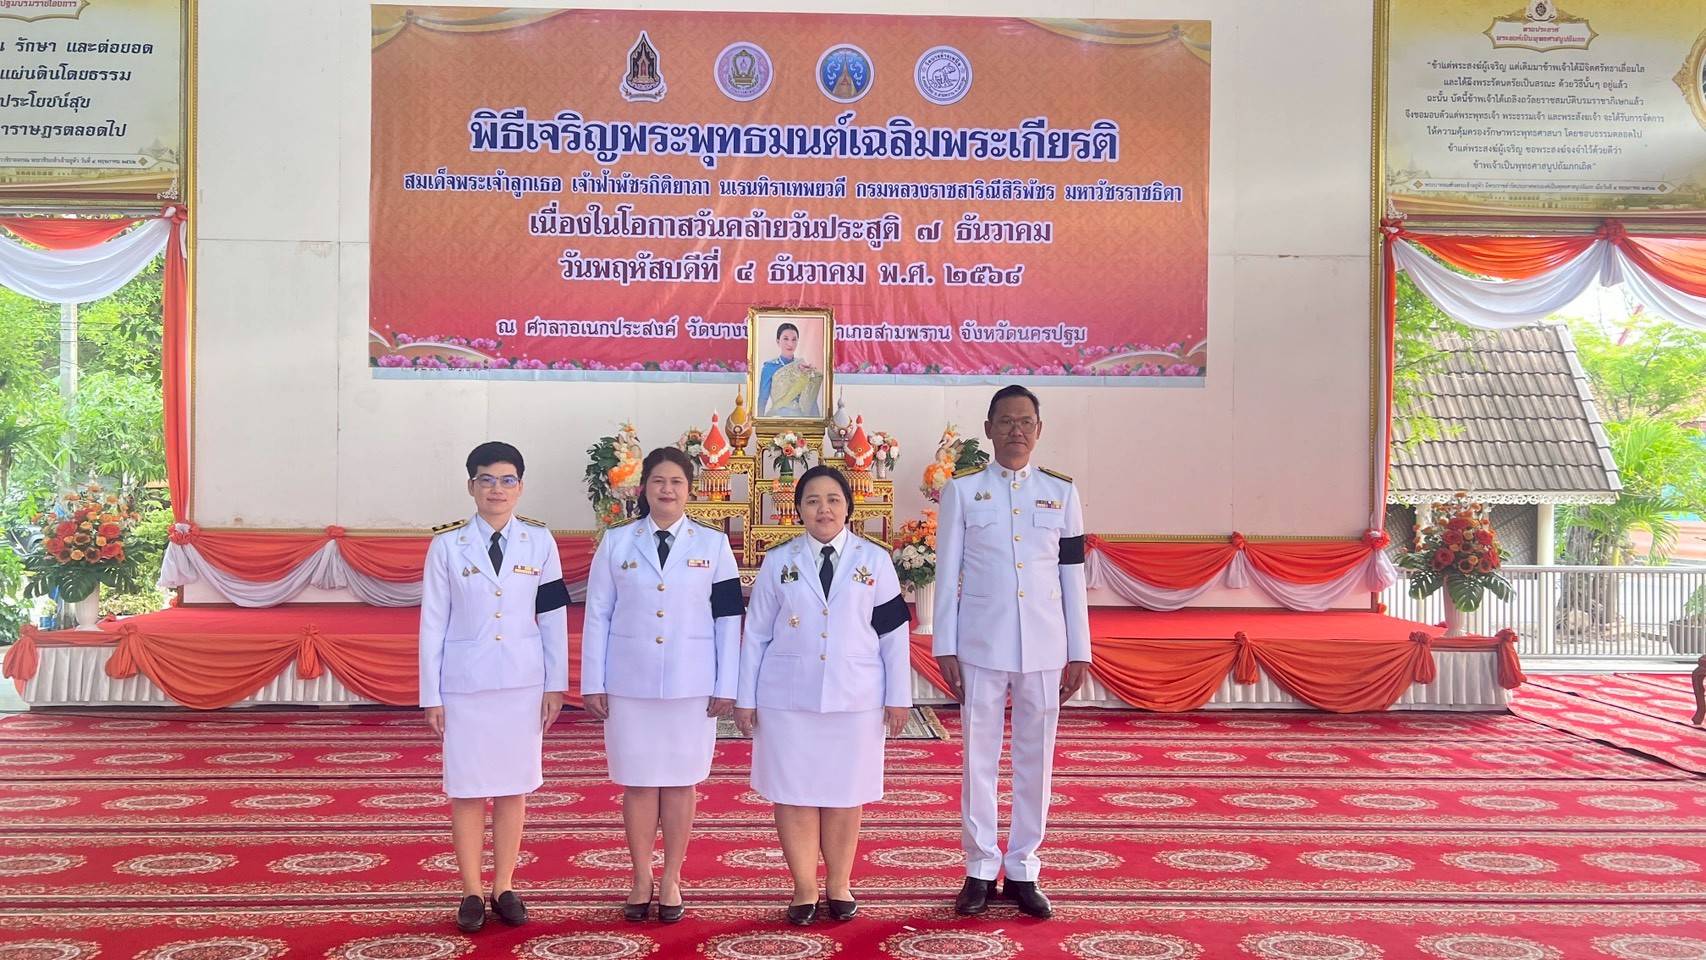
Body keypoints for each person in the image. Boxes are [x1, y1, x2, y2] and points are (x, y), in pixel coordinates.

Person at [933, 385, 1091, 920]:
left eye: (1026, 422)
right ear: (988, 428)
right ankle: (980, 865)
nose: (1016, 431)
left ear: (1039, 430)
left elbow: (1072, 575)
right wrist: (945, 643)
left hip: (1046, 645)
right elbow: (948, 571)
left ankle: (1024, 866)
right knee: (979, 758)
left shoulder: (1061, 493)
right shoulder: (963, 492)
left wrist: (1080, 649)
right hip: (981, 642)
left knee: (1035, 759)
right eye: (1005, 421)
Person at [735, 465, 912, 925]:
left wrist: (899, 696)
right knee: (792, 793)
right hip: (787, 698)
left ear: (848, 506)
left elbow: (894, 633)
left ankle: (839, 883)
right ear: (798, 510)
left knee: (843, 792)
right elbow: (755, 634)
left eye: (833, 499)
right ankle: (803, 888)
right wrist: (745, 697)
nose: (824, 508)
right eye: (812, 500)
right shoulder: (779, 561)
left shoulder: (874, 560)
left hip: (855, 697)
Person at [581, 447, 743, 924]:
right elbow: (597, 615)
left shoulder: (713, 545)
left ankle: (671, 875)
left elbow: (728, 617)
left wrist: (726, 680)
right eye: (657, 481)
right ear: (643, 488)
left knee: (679, 784)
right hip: (628, 681)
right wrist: (594, 680)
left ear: (690, 489)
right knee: (637, 783)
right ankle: (639, 876)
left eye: (675, 481)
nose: (666, 489)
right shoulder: (615, 542)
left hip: (692, 682)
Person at [419, 441, 571, 933]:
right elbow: (432, 622)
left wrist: (556, 685)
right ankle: (469, 890)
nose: (497, 489)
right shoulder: (446, 545)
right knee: (466, 788)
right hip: (465, 684)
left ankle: (504, 884)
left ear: (520, 487)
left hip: (523, 683)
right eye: (487, 479)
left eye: (507, 480)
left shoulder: (540, 543)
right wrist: (431, 695)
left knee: (513, 786)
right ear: (471, 486)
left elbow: (551, 616)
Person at [757, 322, 824, 418]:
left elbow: (811, 400)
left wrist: (816, 425)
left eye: (794, 339)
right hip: (778, 419)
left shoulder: (803, 366)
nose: (790, 344)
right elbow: (763, 399)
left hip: (802, 420)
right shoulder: (769, 367)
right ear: (777, 341)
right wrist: (760, 425)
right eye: (785, 339)